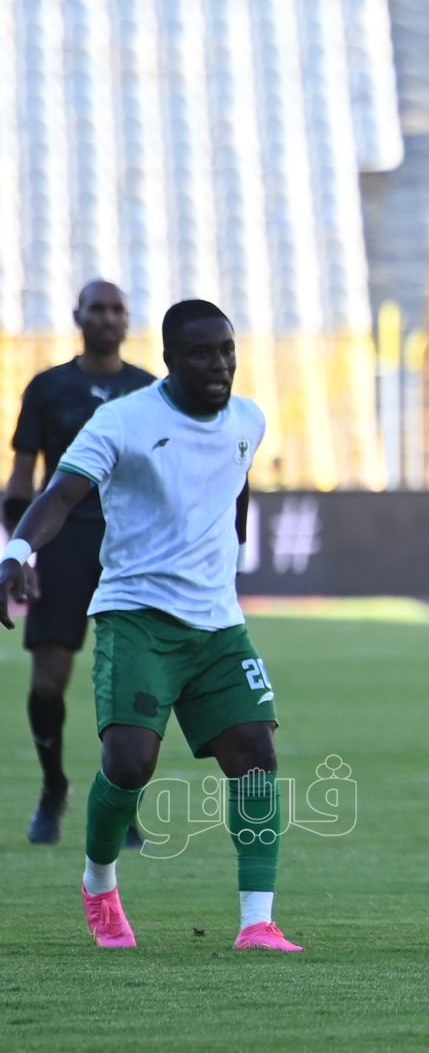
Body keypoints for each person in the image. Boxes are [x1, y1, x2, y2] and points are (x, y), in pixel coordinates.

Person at [0, 298, 301, 952]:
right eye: (201, 353)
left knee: (256, 753)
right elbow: (60, 495)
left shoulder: (249, 419)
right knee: (130, 765)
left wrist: (231, 548)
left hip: (218, 625)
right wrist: (17, 552)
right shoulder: (123, 421)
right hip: (136, 616)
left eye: (227, 351)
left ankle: (258, 922)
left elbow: (237, 480)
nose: (219, 364)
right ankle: (99, 884)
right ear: (169, 359)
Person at [7, 281, 155, 845]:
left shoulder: (150, 390)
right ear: (78, 316)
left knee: (133, 686)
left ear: (128, 319)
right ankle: (53, 788)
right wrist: (21, 551)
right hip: (62, 540)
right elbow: (23, 479)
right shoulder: (48, 388)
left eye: (117, 309)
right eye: (98, 308)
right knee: (49, 681)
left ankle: (123, 803)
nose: (108, 318)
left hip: (130, 546)